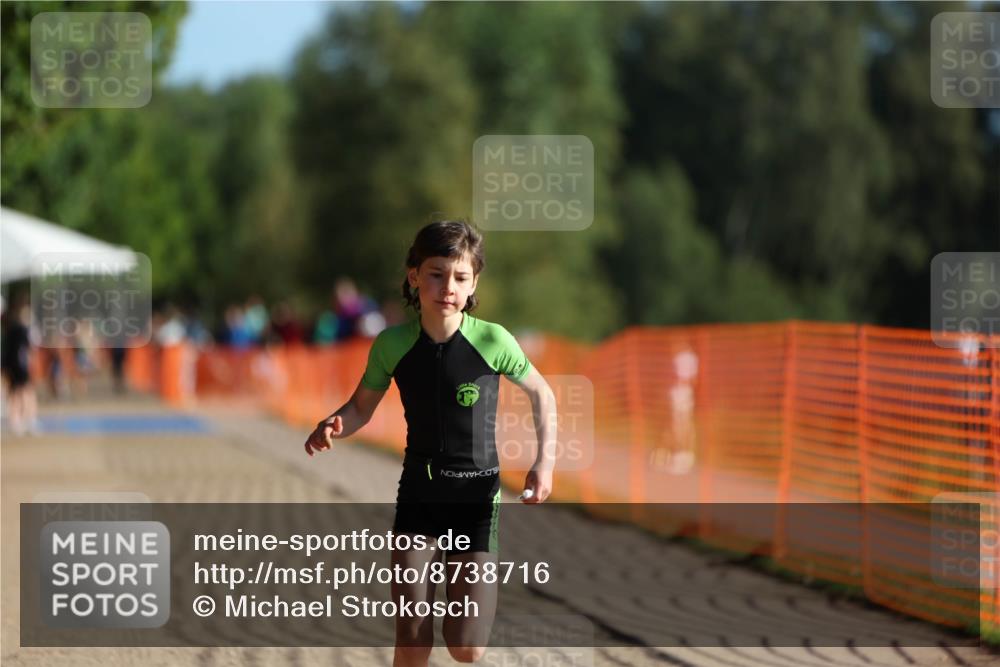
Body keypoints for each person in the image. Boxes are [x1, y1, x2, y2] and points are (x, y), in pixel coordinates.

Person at [303, 220, 557, 666]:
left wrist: (545, 463)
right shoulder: (392, 344)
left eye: (460, 277)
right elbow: (360, 407)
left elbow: (541, 392)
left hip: (476, 502)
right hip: (419, 497)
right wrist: (335, 423)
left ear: (474, 281)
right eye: (437, 273)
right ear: (414, 275)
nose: (448, 287)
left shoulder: (493, 340)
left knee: (467, 646)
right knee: (413, 638)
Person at [1, 301, 39, 435]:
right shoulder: (17, 328)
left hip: (14, 365)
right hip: (16, 365)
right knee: (22, 392)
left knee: (19, 392)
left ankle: (21, 420)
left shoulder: (12, 328)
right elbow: (28, 348)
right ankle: (23, 420)